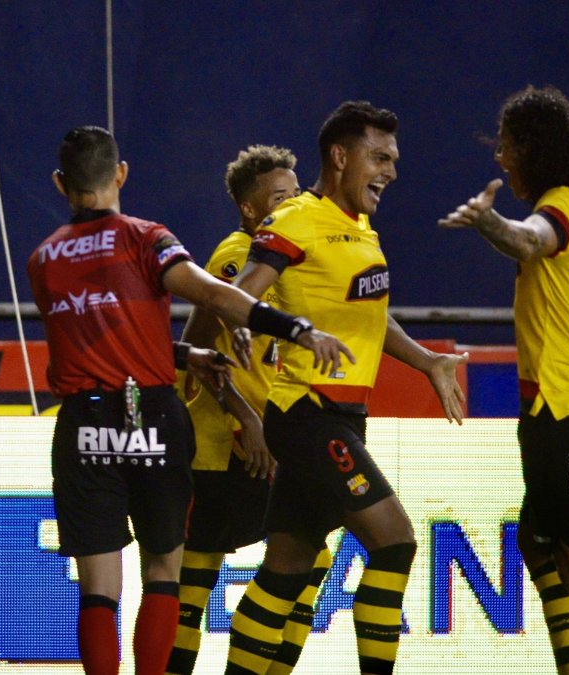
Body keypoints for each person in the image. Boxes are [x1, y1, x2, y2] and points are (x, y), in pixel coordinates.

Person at [28, 125, 345, 675]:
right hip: (152, 417)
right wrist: (293, 329)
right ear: (120, 173)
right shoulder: (148, 237)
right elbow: (218, 296)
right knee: (164, 575)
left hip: (83, 424)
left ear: (60, 184)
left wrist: (180, 353)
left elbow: (101, 336)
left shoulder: (44, 260)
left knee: (98, 591)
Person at [222, 101, 468, 675]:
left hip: (340, 418)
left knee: (286, 567)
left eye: (393, 159)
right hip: (307, 415)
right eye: (379, 157)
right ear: (340, 156)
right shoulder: (295, 220)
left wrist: (427, 361)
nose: (391, 172)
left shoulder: (359, 229)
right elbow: (242, 291)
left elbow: (372, 318)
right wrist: (239, 321)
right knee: (396, 541)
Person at [438, 85, 569, 675]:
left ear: (535, 148)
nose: (501, 158)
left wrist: (488, 222)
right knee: (536, 541)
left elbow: (531, 239)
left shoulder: (563, 208)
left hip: (567, 413)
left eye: (506, 147)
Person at [167, 145, 332, 675]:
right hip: (222, 444)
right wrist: (246, 416)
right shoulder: (237, 256)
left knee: (310, 558)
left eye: (296, 193)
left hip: (271, 440)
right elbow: (198, 349)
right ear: (249, 209)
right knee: (193, 582)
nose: (291, 203)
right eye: (279, 197)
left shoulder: (287, 257)